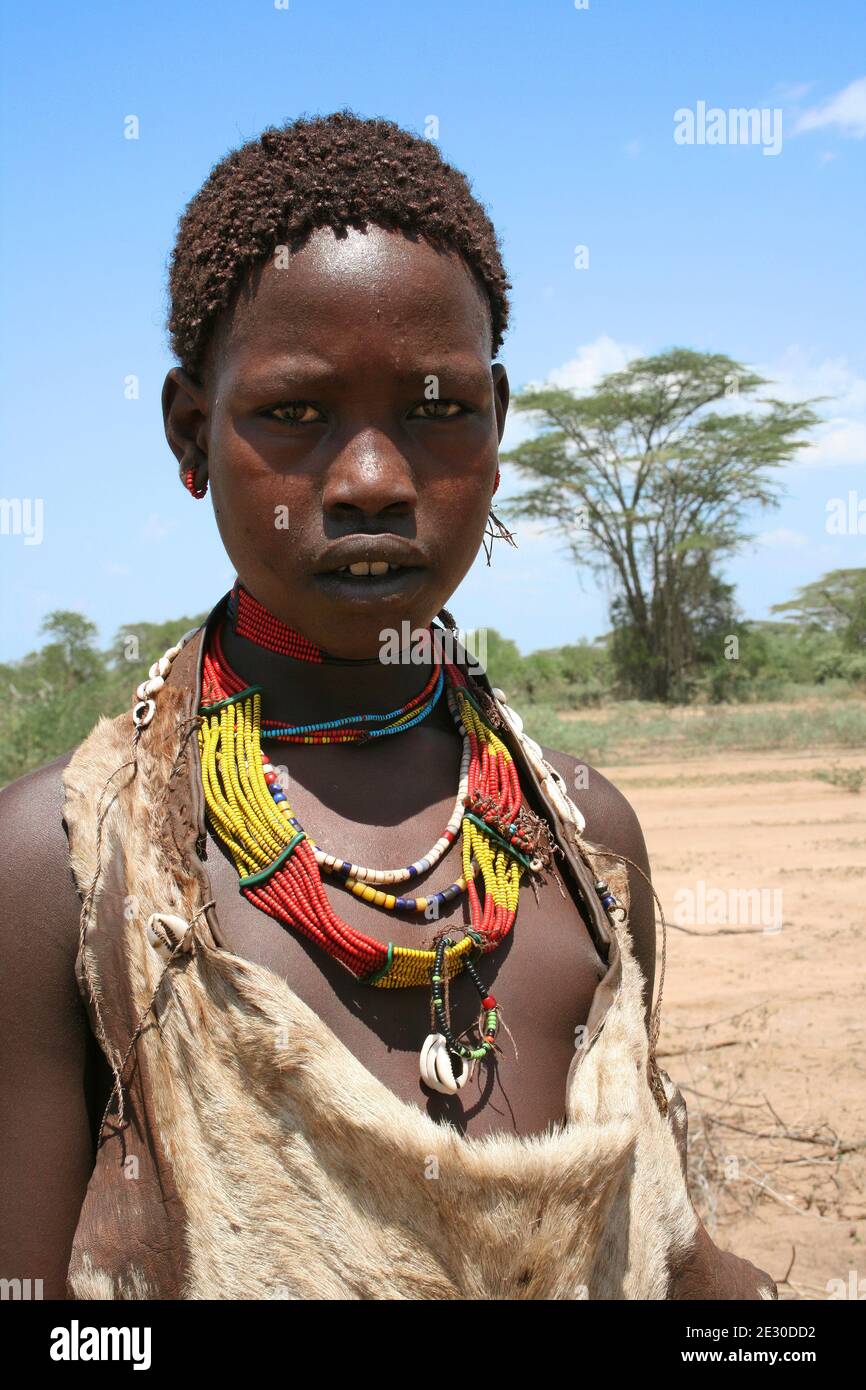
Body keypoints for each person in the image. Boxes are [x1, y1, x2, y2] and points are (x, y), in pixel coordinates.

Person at [0, 111, 776, 1301]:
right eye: (295, 414)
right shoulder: (66, 869)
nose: (371, 480)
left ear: (499, 424)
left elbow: (659, 1262)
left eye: (434, 408)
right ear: (188, 431)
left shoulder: (584, 842)